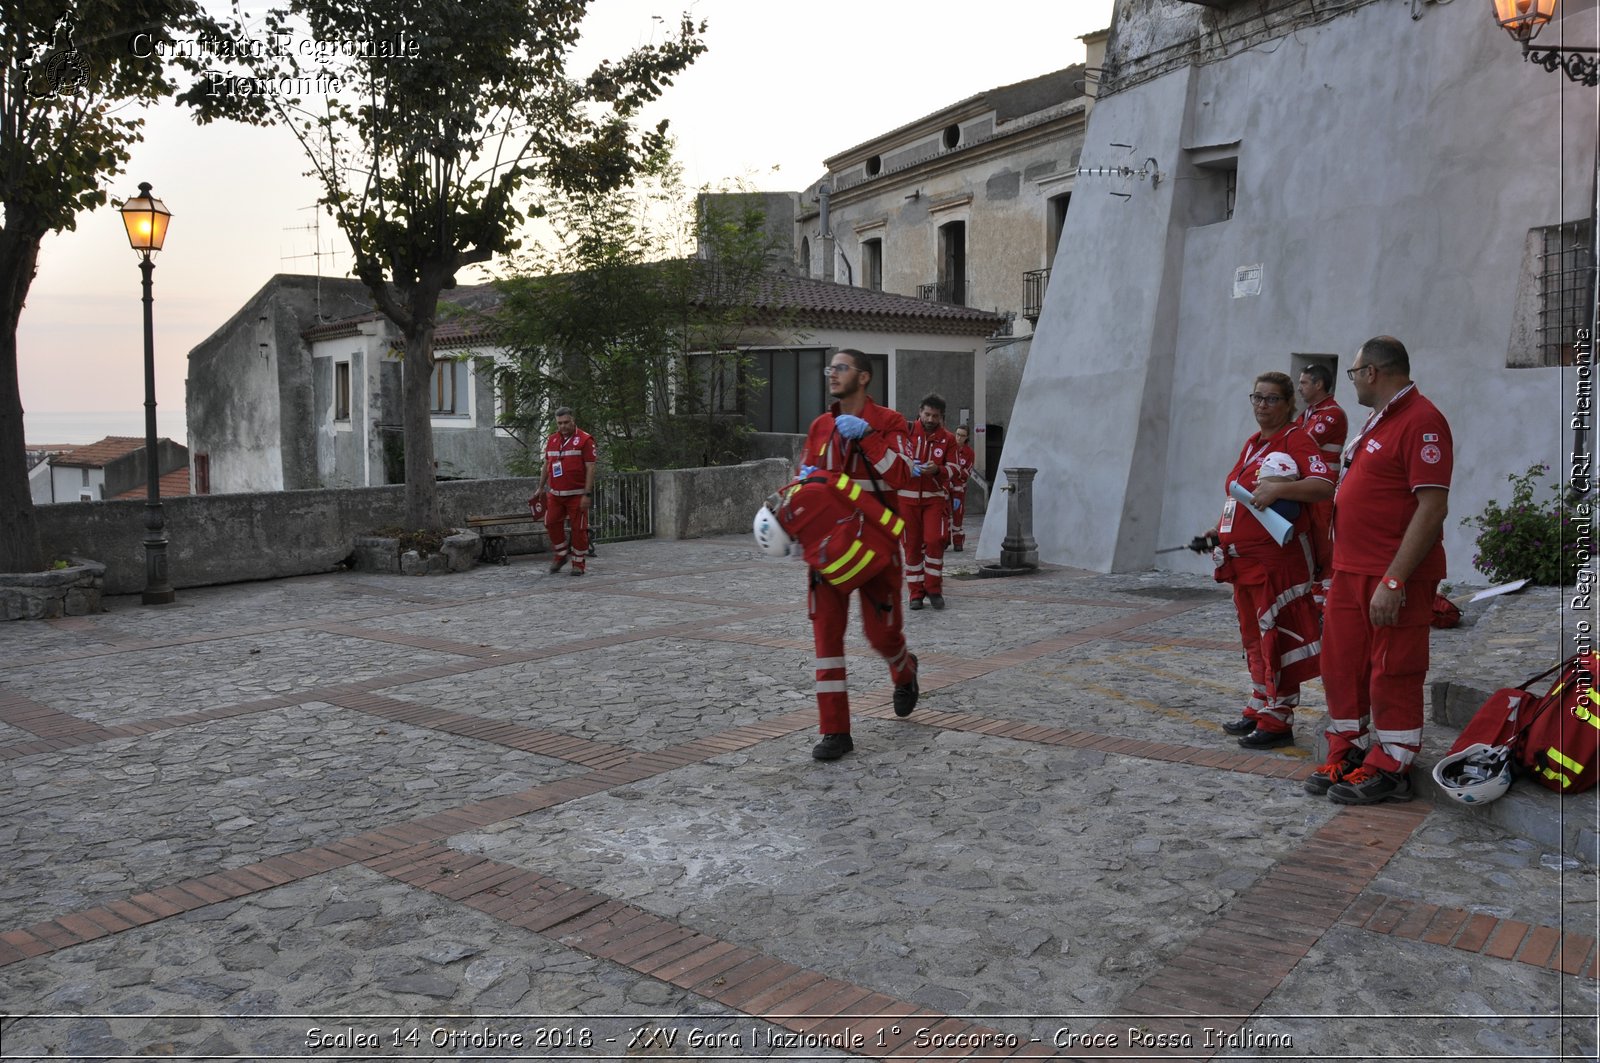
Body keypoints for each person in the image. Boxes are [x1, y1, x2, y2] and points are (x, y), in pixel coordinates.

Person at [1309, 336, 1453, 804]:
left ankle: (1393, 763)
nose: (1351, 381)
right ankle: (1348, 747)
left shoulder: (1422, 421)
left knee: (1394, 668)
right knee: (1343, 663)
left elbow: (1431, 508)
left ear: (1372, 372)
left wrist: (1395, 579)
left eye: (1352, 372)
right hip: (1352, 569)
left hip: (1391, 573)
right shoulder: (1379, 421)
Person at [793, 348, 920, 761]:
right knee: (826, 638)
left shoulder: (890, 422)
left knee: (880, 634)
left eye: (841, 368)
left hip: (876, 546)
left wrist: (867, 435)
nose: (832, 374)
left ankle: (904, 669)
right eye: (830, 368)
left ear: (863, 377)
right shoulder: (819, 426)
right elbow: (807, 484)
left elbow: (902, 474)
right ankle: (835, 731)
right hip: (828, 549)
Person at [1206, 371, 1335, 750]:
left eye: (1271, 399)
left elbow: (1324, 484)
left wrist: (1281, 488)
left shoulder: (1296, 439)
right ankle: (1260, 703)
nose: (1262, 406)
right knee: (1253, 636)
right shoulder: (1252, 444)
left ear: (1288, 403)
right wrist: (1219, 530)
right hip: (1244, 562)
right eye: (1257, 398)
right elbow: (1240, 496)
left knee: (1274, 635)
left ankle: (1279, 718)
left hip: (1277, 562)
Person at [899, 394, 961, 610]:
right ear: (920, 412)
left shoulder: (949, 439)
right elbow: (893, 458)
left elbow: (956, 469)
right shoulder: (905, 432)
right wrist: (907, 468)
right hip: (906, 500)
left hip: (935, 499)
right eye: (927, 414)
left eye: (935, 416)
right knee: (911, 546)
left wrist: (938, 470)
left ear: (941, 417)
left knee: (935, 540)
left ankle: (934, 589)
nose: (930, 419)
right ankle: (915, 593)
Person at [1293, 364, 1348, 593]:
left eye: (1304, 382)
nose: (1299, 388)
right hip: (1307, 488)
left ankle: (1326, 599)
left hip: (1322, 490)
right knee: (1310, 543)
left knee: (1322, 545)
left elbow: (1299, 444)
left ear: (1319, 384)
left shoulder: (1331, 414)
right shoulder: (1309, 413)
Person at [536, 407, 596, 576]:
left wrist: (587, 494)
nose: (563, 426)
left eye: (566, 422)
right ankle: (561, 554)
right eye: (560, 423)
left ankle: (578, 563)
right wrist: (541, 487)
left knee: (579, 528)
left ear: (573, 421)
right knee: (550, 522)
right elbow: (547, 466)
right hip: (555, 494)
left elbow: (591, 468)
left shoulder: (585, 439)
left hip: (577, 494)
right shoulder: (552, 439)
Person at [948, 424, 976, 552]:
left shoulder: (969, 453)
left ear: (967, 437)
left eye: (962, 436)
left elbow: (966, 473)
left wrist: (954, 470)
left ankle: (958, 541)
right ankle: (945, 540)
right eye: (957, 434)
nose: (959, 438)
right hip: (946, 487)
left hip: (959, 490)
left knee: (958, 516)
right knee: (944, 514)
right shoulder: (949, 449)